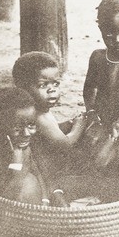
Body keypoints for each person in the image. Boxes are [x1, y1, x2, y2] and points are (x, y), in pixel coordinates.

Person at [12, 51, 87, 181]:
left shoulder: (41, 108)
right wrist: (78, 126)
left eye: (56, 83)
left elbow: (51, 131)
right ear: (22, 88)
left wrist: (68, 123)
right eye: (43, 85)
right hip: (48, 173)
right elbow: (66, 144)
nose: (52, 90)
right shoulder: (38, 116)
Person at [0, 87, 49, 205]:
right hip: (15, 213)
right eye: (17, 128)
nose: (26, 133)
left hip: (38, 211)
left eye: (31, 125)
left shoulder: (25, 148)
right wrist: (17, 164)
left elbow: (37, 173)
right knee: (27, 184)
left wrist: (45, 200)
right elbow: (6, 198)